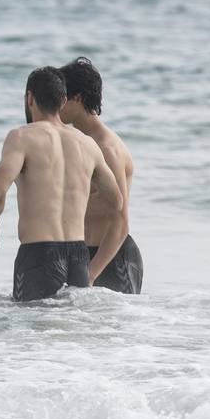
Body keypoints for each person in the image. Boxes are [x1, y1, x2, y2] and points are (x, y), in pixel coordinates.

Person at [0, 67, 122, 302]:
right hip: (78, 257)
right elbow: (116, 202)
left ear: (30, 98)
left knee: (33, 333)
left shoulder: (21, 137)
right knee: (70, 333)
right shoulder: (87, 144)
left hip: (38, 255)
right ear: (63, 100)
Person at [58, 57, 142, 293]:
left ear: (78, 98)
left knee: (112, 330)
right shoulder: (77, 143)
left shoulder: (107, 147)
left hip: (113, 259)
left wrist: (91, 274)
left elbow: (121, 220)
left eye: (62, 98)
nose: (57, 105)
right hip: (83, 256)